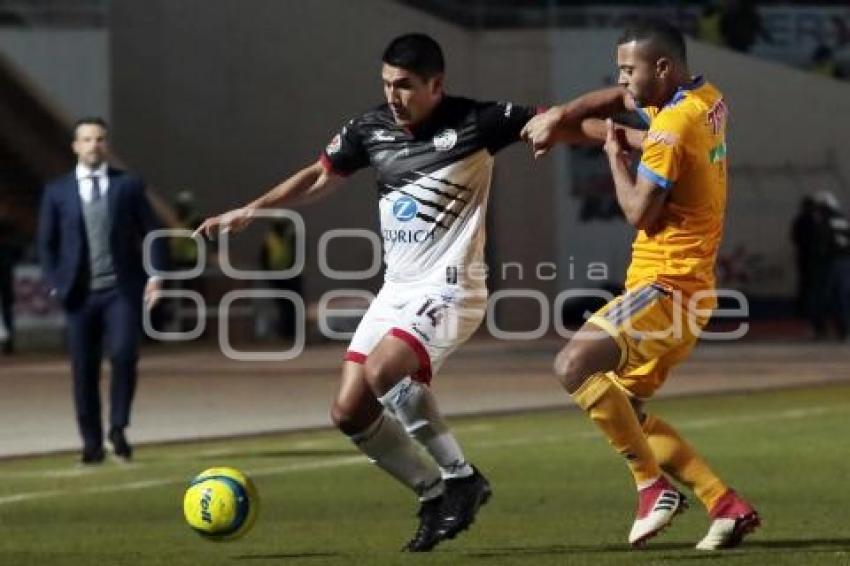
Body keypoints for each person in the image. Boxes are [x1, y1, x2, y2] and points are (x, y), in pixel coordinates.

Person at [196, 33, 614, 552]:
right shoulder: (370, 128)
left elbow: (564, 124)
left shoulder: (477, 121)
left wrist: (634, 140)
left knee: (384, 371)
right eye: (387, 83)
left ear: (436, 85)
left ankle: (462, 478)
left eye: (405, 86)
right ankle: (434, 492)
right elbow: (318, 176)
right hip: (397, 289)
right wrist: (253, 209)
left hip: (452, 287)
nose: (394, 95)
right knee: (349, 410)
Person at [522, 21, 760, 550]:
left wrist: (610, 157)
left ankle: (652, 487)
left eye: (630, 69)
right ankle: (724, 504)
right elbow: (617, 103)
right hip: (685, 290)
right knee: (626, 412)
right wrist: (561, 118)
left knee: (573, 365)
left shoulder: (673, 129)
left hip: (668, 288)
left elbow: (637, 212)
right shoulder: (705, 97)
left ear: (662, 68)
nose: (621, 79)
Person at [37, 117, 167, 464]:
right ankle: (91, 442)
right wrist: (54, 284)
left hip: (121, 291)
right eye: (87, 139)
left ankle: (119, 428)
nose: (94, 145)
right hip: (78, 295)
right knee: (84, 369)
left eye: (99, 139)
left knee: (124, 355)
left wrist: (156, 277)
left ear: (106, 145)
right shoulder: (57, 191)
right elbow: (46, 244)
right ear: (75, 146)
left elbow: (152, 233)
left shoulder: (129, 186)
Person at [259, 217, 301, 338]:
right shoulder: (270, 239)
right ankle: (286, 333)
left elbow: (299, 255)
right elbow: (264, 259)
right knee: (284, 306)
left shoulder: (292, 237)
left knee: (293, 306)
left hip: (292, 277)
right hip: (277, 277)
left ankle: (294, 333)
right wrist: (269, 276)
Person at [0, 204, 24, 354]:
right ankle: (8, 342)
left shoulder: (9, 229)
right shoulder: (10, 230)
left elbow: (17, 249)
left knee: (7, 309)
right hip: (6, 272)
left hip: (5, 273)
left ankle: (8, 342)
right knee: (7, 309)